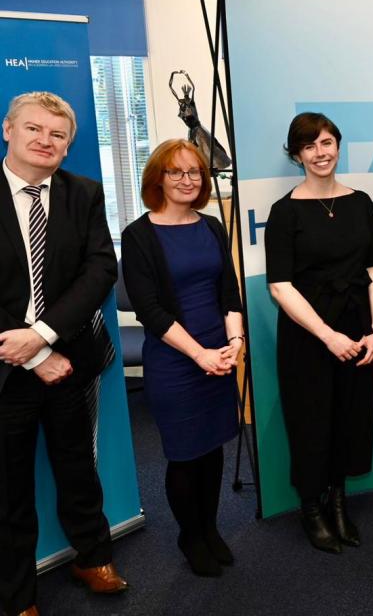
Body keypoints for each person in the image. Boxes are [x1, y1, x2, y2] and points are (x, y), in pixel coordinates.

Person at [0, 92, 126, 616]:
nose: (44, 141)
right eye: (33, 129)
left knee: (78, 467)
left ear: (68, 145)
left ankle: (92, 556)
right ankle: (16, 594)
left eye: (57, 135)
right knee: (8, 488)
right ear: (8, 130)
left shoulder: (84, 193)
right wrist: (30, 353)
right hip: (5, 370)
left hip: (69, 360)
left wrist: (46, 334)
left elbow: (99, 271)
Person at [121, 139, 243, 577]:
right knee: (185, 455)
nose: (187, 180)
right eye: (176, 172)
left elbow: (228, 291)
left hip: (219, 353)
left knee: (212, 451)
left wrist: (235, 343)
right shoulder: (138, 235)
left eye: (194, 172)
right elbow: (150, 311)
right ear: (158, 179)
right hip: (176, 359)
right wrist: (200, 355)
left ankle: (209, 529)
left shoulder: (211, 226)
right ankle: (189, 536)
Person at [265, 113, 373, 554]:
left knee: (349, 419)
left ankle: (339, 503)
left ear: (339, 145)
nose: (321, 153)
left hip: (358, 329)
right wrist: (327, 336)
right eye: (311, 146)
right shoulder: (284, 212)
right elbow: (279, 286)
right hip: (308, 336)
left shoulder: (359, 202)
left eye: (328, 142)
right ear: (297, 154)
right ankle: (311, 510)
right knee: (311, 422)